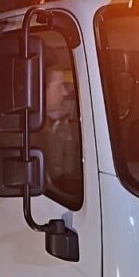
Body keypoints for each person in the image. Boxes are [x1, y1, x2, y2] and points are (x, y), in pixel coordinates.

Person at [41, 65, 81, 198]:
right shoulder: (24, 132)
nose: (64, 92)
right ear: (40, 89)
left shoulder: (59, 124)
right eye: (60, 86)